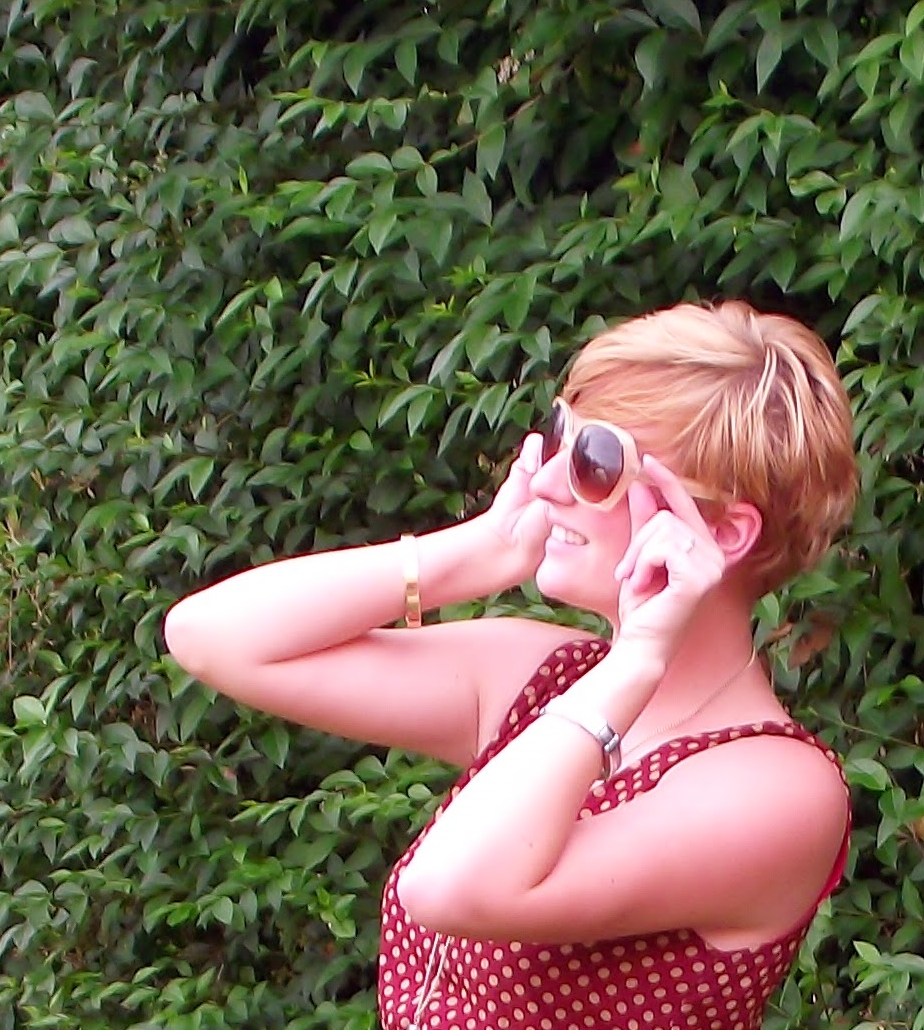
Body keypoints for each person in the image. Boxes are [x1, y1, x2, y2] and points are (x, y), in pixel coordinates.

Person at [163, 299, 859, 1030]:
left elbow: (448, 888)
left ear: (722, 533)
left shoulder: (779, 792)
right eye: (559, 435)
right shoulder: (549, 677)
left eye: (595, 463)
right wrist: (478, 552)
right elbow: (213, 636)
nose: (548, 482)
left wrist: (636, 662)